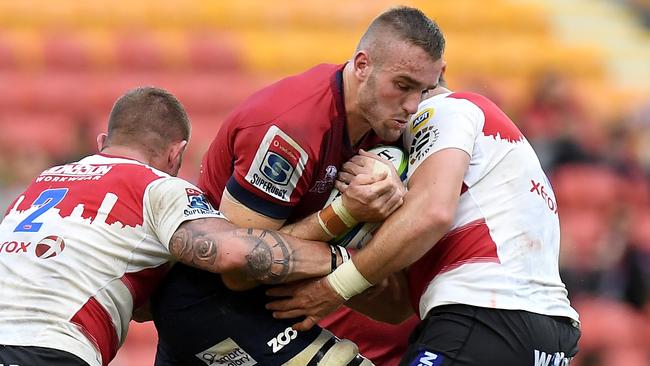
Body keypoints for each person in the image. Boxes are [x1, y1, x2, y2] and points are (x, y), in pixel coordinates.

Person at [151, 6, 446, 366]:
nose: (413, 105)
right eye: (402, 86)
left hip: (265, 308)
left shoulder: (385, 125)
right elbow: (238, 271)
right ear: (362, 65)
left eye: (424, 89)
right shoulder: (292, 128)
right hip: (212, 304)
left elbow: (395, 307)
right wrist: (345, 216)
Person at [0, 87, 354, 366]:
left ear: (102, 143)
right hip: (48, 349)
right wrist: (347, 260)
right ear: (176, 154)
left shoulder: (43, 183)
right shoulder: (157, 186)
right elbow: (236, 254)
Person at [266, 84, 582, 365]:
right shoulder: (488, 166)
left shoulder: (442, 108)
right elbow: (397, 308)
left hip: (484, 317)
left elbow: (433, 213)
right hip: (550, 338)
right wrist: (327, 260)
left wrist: (333, 287)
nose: (405, 107)